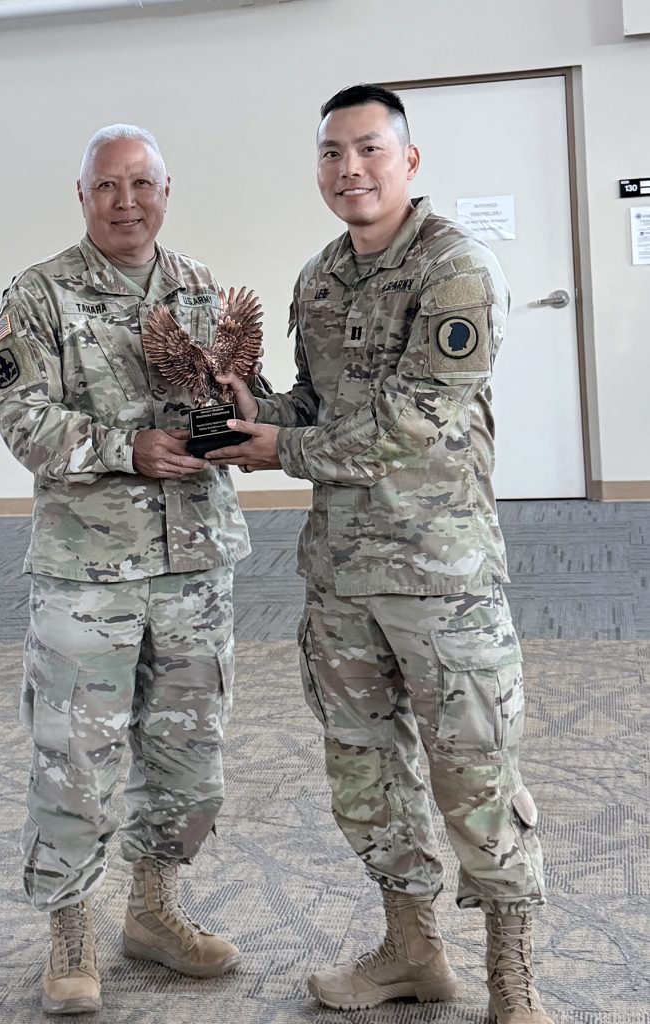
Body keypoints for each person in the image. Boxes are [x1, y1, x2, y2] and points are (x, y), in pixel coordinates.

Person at [207, 84, 553, 1024]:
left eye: (367, 150)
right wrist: (245, 410)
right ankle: (412, 950)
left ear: (409, 160)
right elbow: (318, 414)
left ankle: (510, 978)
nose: (347, 169)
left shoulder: (457, 270)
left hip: (441, 578)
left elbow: (413, 425)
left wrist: (282, 449)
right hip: (343, 577)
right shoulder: (318, 277)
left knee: (474, 770)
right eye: (330, 153)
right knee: (365, 770)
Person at [0, 123, 265, 1016]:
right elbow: (21, 419)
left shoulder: (198, 290)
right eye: (107, 186)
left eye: (141, 184)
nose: (126, 202)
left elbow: (229, 395)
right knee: (75, 753)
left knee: (190, 756)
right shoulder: (37, 297)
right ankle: (70, 928)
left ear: (167, 190)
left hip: (195, 563)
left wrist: (238, 412)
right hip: (89, 569)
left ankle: (153, 909)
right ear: (82, 196)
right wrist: (122, 448)